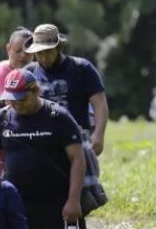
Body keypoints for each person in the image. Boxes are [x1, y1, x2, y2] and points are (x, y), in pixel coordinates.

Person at [0, 69, 85, 229]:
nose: (16, 104)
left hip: (53, 204)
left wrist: (73, 200)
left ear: (36, 90)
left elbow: (77, 159)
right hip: (15, 206)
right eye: (12, 99)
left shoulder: (58, 117)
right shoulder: (2, 118)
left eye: (21, 98)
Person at [23, 24, 109, 155]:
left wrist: (99, 134)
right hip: (41, 145)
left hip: (78, 142)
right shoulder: (29, 73)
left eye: (49, 52)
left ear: (58, 48)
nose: (44, 58)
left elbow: (99, 103)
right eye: (39, 53)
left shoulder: (81, 68)